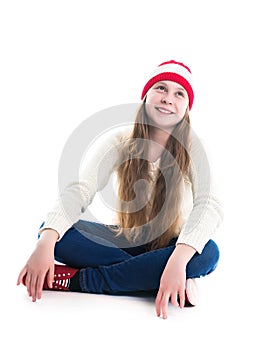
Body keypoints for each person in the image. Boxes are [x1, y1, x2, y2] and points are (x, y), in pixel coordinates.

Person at [17, 60, 223, 319]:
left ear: (186, 107)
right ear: (146, 95)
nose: (168, 99)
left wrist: (179, 260)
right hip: (127, 240)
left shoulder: (193, 147)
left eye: (179, 93)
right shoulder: (121, 142)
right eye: (161, 88)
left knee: (208, 254)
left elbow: (209, 205)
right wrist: (45, 242)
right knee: (58, 235)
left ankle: (83, 281)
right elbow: (80, 190)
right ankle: (153, 279)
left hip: (172, 245)